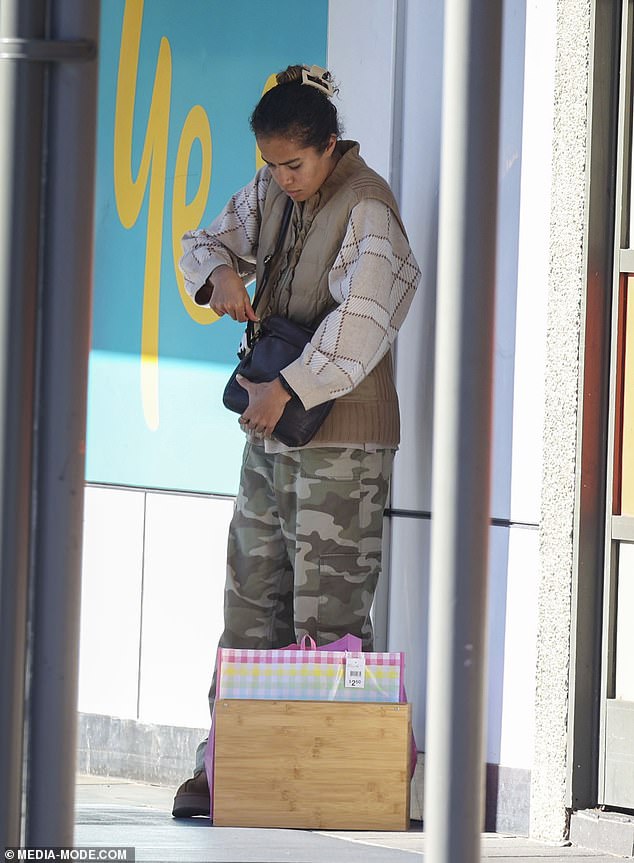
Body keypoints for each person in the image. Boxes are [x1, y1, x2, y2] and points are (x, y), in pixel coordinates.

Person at [172, 64, 421, 818]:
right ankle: (230, 764)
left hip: (340, 441)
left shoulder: (367, 207)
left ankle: (329, 773)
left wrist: (292, 389)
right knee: (250, 601)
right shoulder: (271, 192)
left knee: (330, 616)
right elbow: (204, 240)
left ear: (329, 146)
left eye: (295, 164)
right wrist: (218, 276)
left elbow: (365, 322)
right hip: (272, 432)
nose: (283, 179)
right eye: (272, 164)